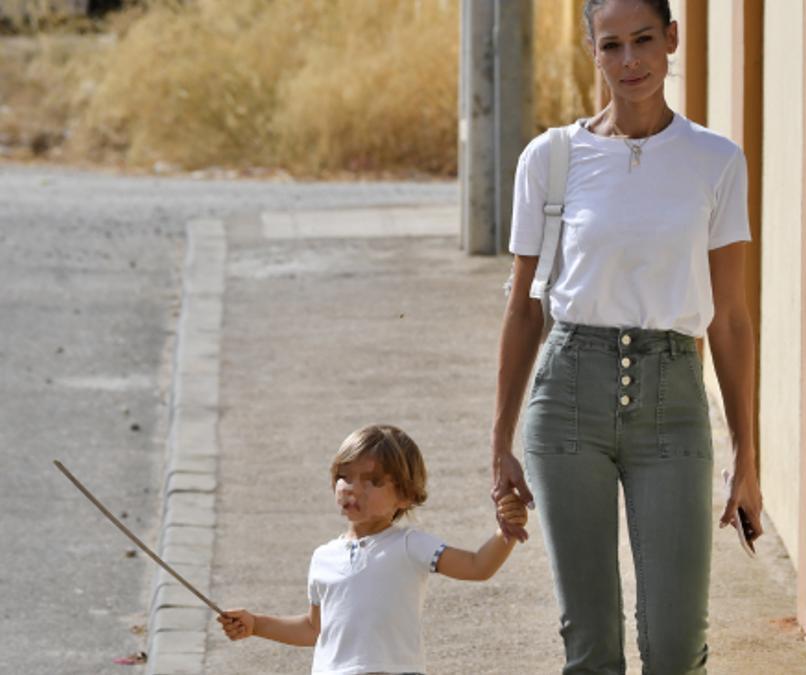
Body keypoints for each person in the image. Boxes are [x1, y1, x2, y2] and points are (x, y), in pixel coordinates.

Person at [489, 0, 764, 672]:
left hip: (672, 399)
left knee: (675, 646)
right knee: (590, 646)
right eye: (612, 46)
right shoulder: (550, 160)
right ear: (593, 50)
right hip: (568, 397)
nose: (631, 61)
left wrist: (745, 451)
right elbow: (525, 309)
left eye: (644, 40)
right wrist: (498, 442)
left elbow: (729, 316)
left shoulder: (716, 161)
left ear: (672, 38)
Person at [217, 424, 528, 675]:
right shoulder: (323, 557)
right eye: (344, 477)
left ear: (405, 496)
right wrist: (256, 624)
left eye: (373, 481)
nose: (353, 487)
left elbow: (477, 566)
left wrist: (506, 532)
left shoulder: (410, 544)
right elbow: (313, 629)